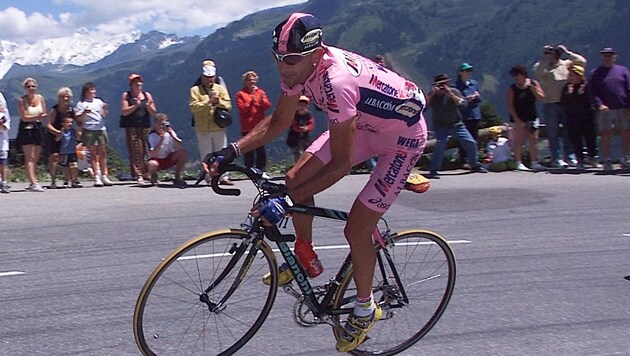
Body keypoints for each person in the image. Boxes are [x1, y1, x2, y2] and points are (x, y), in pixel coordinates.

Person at [206, 13, 428, 352]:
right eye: (277, 59)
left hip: (402, 141)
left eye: (291, 60)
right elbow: (280, 119)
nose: (284, 67)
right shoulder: (299, 68)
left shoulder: (336, 82)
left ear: (315, 52)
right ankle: (305, 258)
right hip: (367, 128)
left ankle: (365, 308)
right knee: (294, 177)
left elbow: (340, 164)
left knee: (356, 228)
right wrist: (232, 150)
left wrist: (288, 201)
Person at [533, 44, 586, 168]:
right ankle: (556, 158)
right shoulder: (544, 67)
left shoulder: (566, 64)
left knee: (568, 130)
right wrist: (544, 57)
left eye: (552, 53)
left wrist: (568, 52)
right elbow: (537, 71)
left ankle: (570, 155)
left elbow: (582, 61)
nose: (551, 55)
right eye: (549, 53)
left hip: (566, 102)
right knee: (552, 132)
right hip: (550, 103)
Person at [426, 73, 488, 178]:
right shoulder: (432, 95)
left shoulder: (454, 92)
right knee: (440, 144)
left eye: (444, 84)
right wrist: (432, 94)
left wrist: (450, 93)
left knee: (470, 142)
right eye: (440, 84)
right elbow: (424, 107)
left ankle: (475, 165)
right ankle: (433, 170)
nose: (442, 86)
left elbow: (463, 104)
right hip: (440, 125)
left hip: (456, 124)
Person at [190, 60, 234, 185]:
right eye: (207, 77)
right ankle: (209, 177)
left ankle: (223, 177)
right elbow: (194, 107)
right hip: (203, 127)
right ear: (202, 76)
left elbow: (228, 105)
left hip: (218, 126)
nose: (209, 80)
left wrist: (217, 102)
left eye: (211, 77)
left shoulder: (220, 89)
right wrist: (208, 102)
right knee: (206, 154)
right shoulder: (195, 90)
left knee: (222, 153)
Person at [587, 47, 630, 172]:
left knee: (626, 132)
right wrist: (599, 104)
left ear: (614, 57)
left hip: (622, 107)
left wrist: (628, 106)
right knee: (606, 134)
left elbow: (628, 88)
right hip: (605, 109)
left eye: (610, 55)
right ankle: (606, 160)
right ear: (602, 57)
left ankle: (625, 158)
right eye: (605, 55)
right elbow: (591, 91)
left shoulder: (623, 71)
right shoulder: (595, 73)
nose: (608, 57)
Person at [507, 65, 547, 171]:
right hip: (518, 118)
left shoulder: (534, 83)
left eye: (517, 75)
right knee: (519, 140)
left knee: (533, 139)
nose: (516, 78)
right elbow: (510, 105)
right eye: (514, 76)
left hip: (532, 116)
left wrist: (533, 89)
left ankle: (534, 162)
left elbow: (542, 97)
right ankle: (518, 162)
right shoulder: (513, 88)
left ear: (523, 75)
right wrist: (516, 119)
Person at [561, 64, 599, 172]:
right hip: (572, 117)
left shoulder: (586, 86)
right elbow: (563, 102)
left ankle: (592, 157)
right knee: (576, 139)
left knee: (590, 137)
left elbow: (592, 100)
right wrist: (568, 93)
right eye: (570, 75)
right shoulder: (567, 87)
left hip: (587, 116)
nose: (571, 77)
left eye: (574, 75)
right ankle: (580, 160)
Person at [120, 73, 157, 184]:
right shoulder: (127, 95)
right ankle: (138, 174)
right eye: (136, 82)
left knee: (146, 149)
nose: (139, 84)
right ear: (131, 84)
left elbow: (153, 112)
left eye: (140, 82)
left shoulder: (147, 95)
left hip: (145, 125)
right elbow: (124, 111)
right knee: (136, 150)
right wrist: (135, 105)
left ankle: (147, 172)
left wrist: (148, 106)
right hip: (132, 126)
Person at [75, 82, 112, 187]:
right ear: (86, 92)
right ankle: (96, 176)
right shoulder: (81, 104)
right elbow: (78, 119)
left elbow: (105, 115)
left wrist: (105, 109)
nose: (94, 92)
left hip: (100, 128)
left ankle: (104, 175)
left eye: (94, 89)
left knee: (103, 152)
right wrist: (84, 113)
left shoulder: (99, 101)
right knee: (92, 153)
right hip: (89, 128)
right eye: (91, 90)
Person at [236, 71, 272, 174]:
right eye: (249, 80)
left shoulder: (261, 92)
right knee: (248, 149)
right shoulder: (241, 94)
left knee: (261, 148)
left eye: (253, 79)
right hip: (247, 125)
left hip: (259, 125)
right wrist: (251, 101)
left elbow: (267, 106)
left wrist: (261, 101)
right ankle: (249, 170)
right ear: (245, 81)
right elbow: (242, 108)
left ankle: (262, 170)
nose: (252, 82)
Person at [17, 77, 47, 192]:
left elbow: (43, 113)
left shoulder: (40, 98)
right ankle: (33, 182)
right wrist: (37, 117)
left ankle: (32, 180)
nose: (31, 88)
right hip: (26, 129)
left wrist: (40, 118)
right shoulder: (21, 100)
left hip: (38, 128)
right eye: (28, 86)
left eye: (33, 86)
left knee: (35, 157)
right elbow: (24, 117)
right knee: (29, 157)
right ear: (25, 88)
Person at [146, 113, 188, 187]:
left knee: (182, 153)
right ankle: (153, 176)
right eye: (160, 124)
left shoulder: (170, 133)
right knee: (152, 164)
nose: (162, 127)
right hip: (157, 159)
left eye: (164, 124)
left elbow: (180, 147)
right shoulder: (152, 136)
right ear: (155, 124)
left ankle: (177, 176)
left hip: (169, 157)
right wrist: (161, 140)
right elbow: (153, 154)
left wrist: (172, 135)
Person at [46, 87, 75, 188]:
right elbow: (48, 124)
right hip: (54, 135)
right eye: (63, 97)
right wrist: (57, 132)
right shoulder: (54, 110)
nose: (65, 99)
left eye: (67, 97)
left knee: (69, 158)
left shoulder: (71, 109)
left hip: (67, 137)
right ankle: (53, 181)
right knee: (54, 157)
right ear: (59, 98)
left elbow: (76, 121)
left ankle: (71, 179)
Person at [454, 62, 482, 166]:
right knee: (464, 139)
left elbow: (479, 99)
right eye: (466, 71)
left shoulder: (474, 84)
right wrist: (467, 99)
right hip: (464, 115)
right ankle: (463, 159)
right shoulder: (456, 86)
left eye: (470, 71)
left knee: (474, 138)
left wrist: (476, 96)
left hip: (475, 114)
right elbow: (457, 102)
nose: (469, 73)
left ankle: (474, 160)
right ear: (461, 73)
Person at [55, 116, 82, 188]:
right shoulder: (62, 131)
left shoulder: (73, 131)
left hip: (73, 152)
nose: (70, 124)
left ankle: (74, 180)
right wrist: (60, 133)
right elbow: (57, 139)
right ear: (63, 124)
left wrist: (79, 129)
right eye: (67, 122)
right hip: (64, 152)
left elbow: (79, 138)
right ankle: (66, 180)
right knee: (65, 167)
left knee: (74, 166)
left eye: (71, 122)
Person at [287, 95, 315, 162]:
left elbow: (311, 123)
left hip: (305, 136)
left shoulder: (308, 114)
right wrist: (299, 129)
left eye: (304, 105)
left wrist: (307, 128)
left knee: (307, 150)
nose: (302, 107)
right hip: (294, 136)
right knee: (297, 152)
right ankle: (297, 165)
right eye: (300, 105)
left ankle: (306, 163)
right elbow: (293, 124)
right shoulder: (293, 114)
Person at [0, 91, 11, 193]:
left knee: (3, 161)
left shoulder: (4, 113)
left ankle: (4, 181)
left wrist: (2, 124)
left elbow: (7, 125)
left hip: (2, 139)